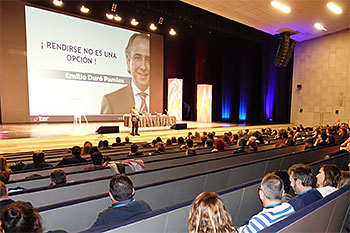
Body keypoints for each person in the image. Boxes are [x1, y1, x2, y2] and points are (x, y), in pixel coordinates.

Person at [101, 33, 150, 114]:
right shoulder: (111, 101)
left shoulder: (167, 100)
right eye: (137, 58)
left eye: (148, 59)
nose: (143, 67)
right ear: (128, 61)